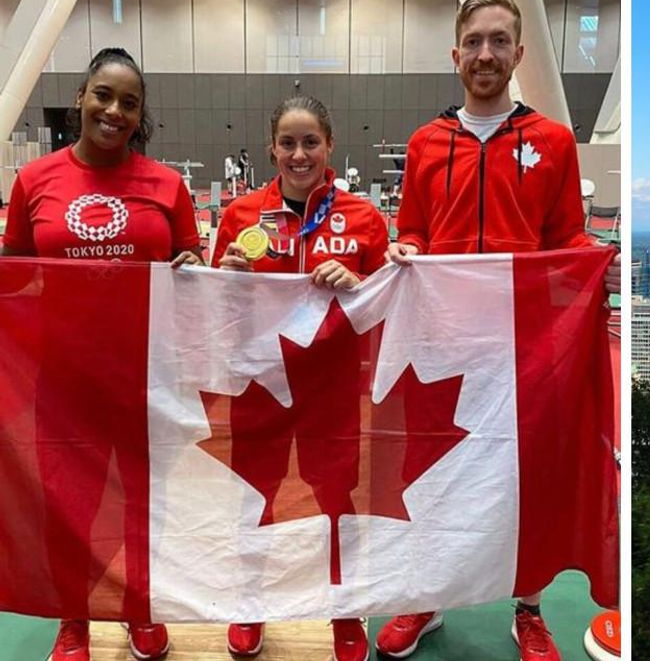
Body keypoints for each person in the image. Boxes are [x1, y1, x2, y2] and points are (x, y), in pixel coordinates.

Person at [379, 0, 619, 661]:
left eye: (499, 41)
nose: (485, 54)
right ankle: (427, 595)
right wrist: (407, 250)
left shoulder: (552, 140)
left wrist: (595, 263)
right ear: (455, 54)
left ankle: (529, 608)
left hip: (526, 346)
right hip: (444, 340)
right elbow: (414, 230)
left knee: (524, 475)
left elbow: (565, 236)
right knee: (434, 469)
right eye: (474, 42)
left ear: (518, 53)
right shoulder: (427, 143)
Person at [1, 47, 202, 661]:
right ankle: (75, 620)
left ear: (140, 116)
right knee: (69, 507)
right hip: (60, 380)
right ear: (81, 98)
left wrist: (192, 265)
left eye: (129, 103)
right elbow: (14, 275)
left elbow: (192, 264)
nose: (115, 111)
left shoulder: (166, 185)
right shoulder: (36, 180)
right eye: (104, 96)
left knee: (142, 503)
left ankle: (140, 608)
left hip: (144, 377)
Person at [211, 95, 389, 661]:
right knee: (252, 499)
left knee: (338, 501)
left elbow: (391, 304)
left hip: (332, 391)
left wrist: (360, 282)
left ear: (330, 145)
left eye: (310, 141)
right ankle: (249, 603)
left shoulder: (363, 218)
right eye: (287, 143)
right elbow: (216, 306)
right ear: (272, 149)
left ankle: (346, 611)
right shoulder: (242, 216)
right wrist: (227, 276)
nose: (299, 154)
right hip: (259, 387)